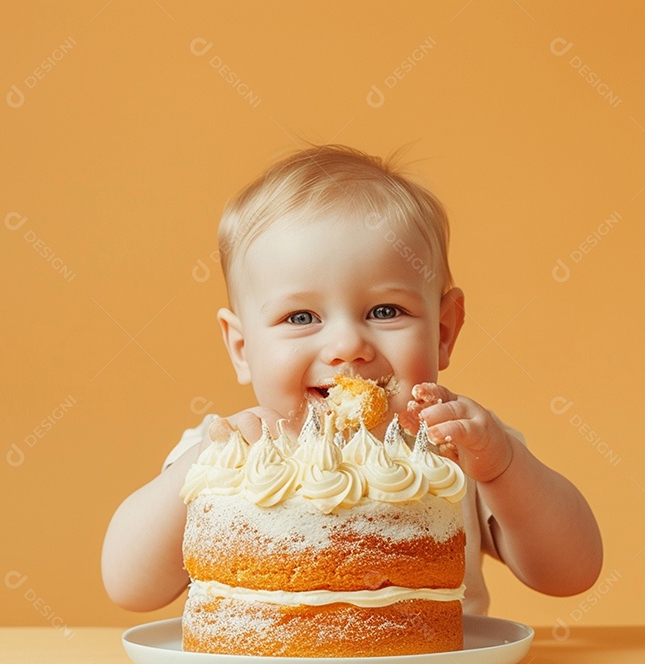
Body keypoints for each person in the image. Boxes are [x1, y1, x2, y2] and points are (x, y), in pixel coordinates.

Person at [101, 145, 602, 615]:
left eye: (385, 311)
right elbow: (129, 587)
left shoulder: (456, 448)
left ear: (444, 331)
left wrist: (503, 468)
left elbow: (572, 573)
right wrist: (199, 467)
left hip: (428, 663)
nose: (347, 346)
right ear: (242, 348)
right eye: (300, 317)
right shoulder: (227, 452)